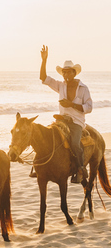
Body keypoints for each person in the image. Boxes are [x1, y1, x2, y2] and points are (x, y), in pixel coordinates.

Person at [40, 45, 92, 183]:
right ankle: (40, 168)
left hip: (76, 122)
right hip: (62, 120)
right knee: (46, 137)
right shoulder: (60, 85)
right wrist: (44, 60)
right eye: (64, 72)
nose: (66, 75)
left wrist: (72, 105)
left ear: (74, 73)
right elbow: (43, 78)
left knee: (75, 143)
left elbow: (89, 107)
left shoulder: (83, 88)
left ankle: (81, 169)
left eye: (69, 72)